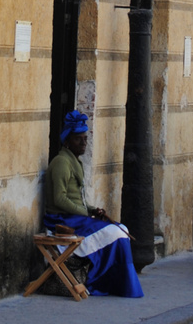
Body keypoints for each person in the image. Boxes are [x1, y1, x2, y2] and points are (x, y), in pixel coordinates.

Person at [44, 110, 144, 297]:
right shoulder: (61, 163)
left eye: (85, 139)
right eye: (78, 139)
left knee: (120, 229)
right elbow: (59, 198)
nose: (84, 143)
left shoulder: (74, 161)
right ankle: (101, 282)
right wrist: (84, 212)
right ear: (67, 141)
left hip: (76, 217)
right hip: (61, 220)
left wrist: (91, 209)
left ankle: (115, 284)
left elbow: (78, 198)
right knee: (115, 233)